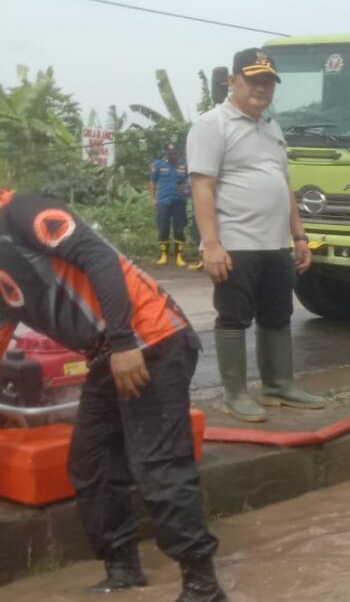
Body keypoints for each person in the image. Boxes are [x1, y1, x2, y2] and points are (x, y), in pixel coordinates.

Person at [0, 190, 225, 601]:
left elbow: (99, 258)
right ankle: (123, 570)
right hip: (106, 354)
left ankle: (202, 584)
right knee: (92, 462)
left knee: (157, 462)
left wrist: (123, 343)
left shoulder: (19, 212)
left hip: (150, 339)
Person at [187, 48, 325, 422]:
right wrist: (211, 244)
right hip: (236, 242)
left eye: (267, 81)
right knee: (233, 317)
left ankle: (278, 385)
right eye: (253, 80)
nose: (261, 88)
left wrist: (299, 236)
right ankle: (234, 394)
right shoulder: (212, 124)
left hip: (276, 243)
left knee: (278, 315)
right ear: (233, 81)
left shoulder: (272, 126)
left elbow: (283, 183)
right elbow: (202, 186)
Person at [150, 142, 190, 267]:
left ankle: (179, 256)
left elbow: (191, 181)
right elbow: (152, 181)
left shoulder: (184, 165)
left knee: (179, 230)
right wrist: (153, 198)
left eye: (173, 153)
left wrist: (187, 192)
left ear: (178, 153)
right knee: (163, 229)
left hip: (179, 201)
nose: (171, 156)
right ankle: (164, 255)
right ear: (165, 153)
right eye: (169, 154)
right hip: (163, 201)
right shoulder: (158, 165)